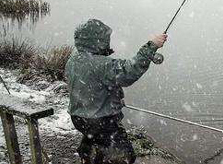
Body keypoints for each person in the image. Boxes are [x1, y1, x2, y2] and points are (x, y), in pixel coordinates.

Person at [65, 19, 167, 164]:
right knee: (124, 156)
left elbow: (91, 85)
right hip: (101, 122)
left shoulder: (73, 60)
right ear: (96, 40)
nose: (108, 42)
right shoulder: (102, 64)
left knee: (93, 142)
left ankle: (88, 155)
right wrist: (151, 46)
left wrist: (111, 98)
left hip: (79, 118)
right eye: (105, 39)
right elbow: (129, 71)